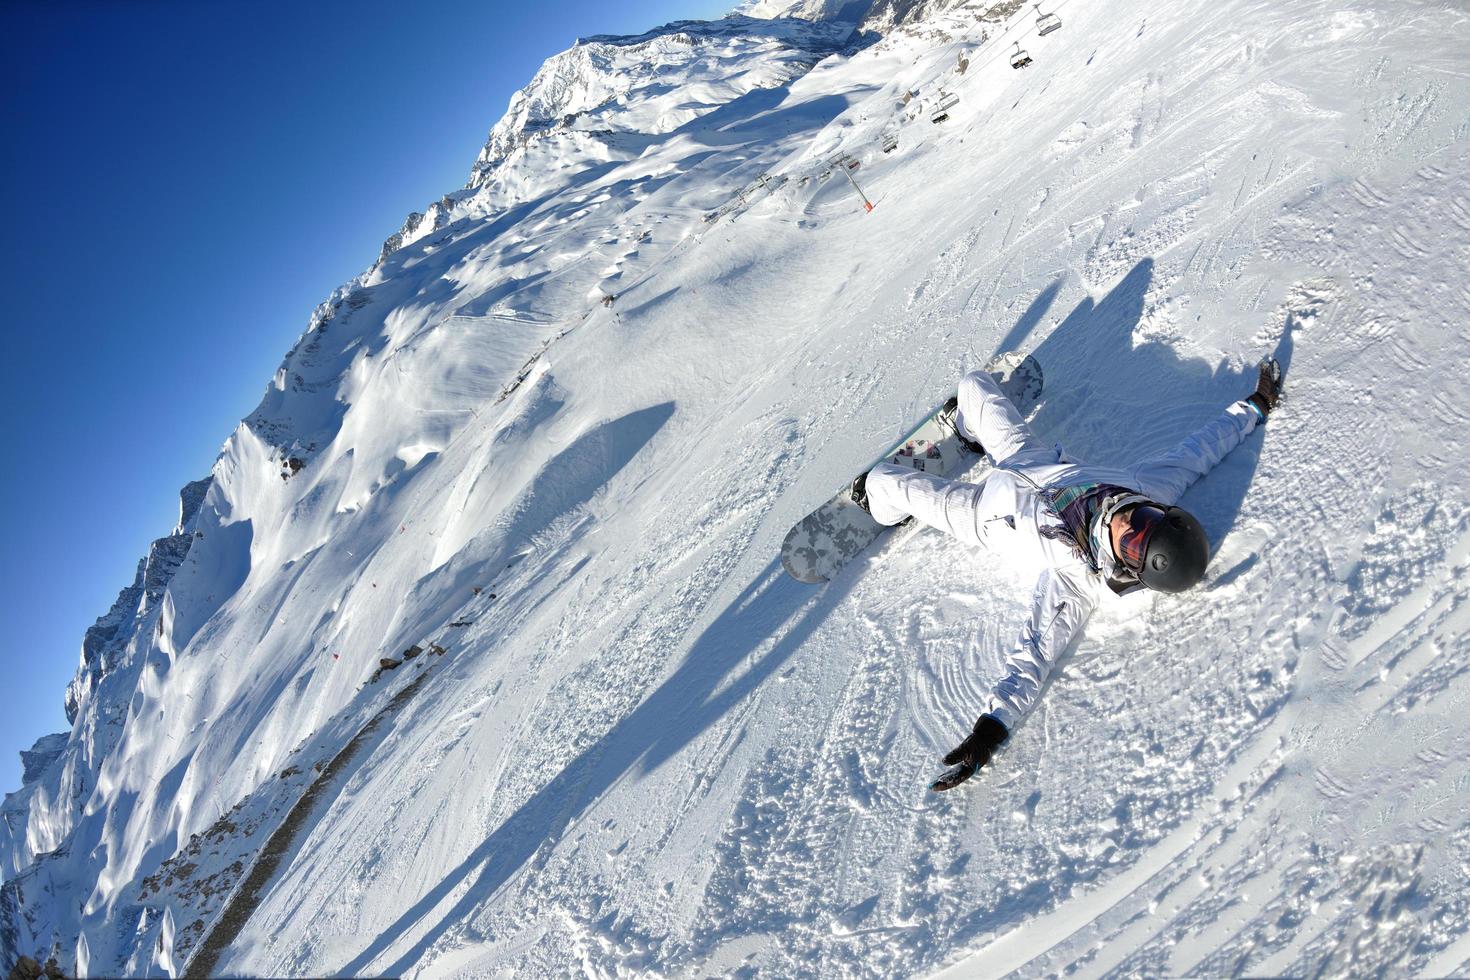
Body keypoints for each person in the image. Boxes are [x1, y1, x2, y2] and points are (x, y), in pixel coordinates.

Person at [851, 357, 1283, 791]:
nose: (1130, 523)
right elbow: (1201, 449)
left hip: (982, 514)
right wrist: (1257, 405)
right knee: (972, 383)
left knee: (883, 481)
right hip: (1029, 456)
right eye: (1147, 518)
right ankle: (968, 426)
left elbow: (1034, 655)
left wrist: (990, 728)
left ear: (1131, 568)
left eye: (1134, 542)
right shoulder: (1147, 486)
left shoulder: (1076, 579)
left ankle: (878, 503)